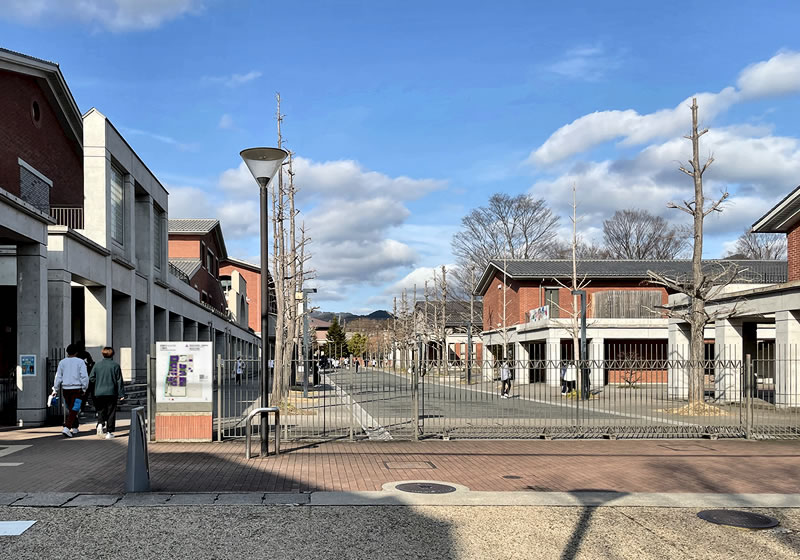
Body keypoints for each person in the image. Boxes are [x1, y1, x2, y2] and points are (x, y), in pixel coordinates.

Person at [51, 343, 89, 438]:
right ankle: (67, 427)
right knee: (75, 408)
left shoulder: (62, 362)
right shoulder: (80, 362)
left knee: (71, 408)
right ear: (76, 352)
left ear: (67, 352)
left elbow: (58, 376)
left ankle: (75, 427)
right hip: (77, 389)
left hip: (65, 389)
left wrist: (55, 388)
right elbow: (84, 376)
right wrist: (84, 388)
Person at [89, 347, 126, 439]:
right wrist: (121, 394)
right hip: (111, 392)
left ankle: (100, 423)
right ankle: (109, 432)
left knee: (101, 410)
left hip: (99, 392)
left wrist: (98, 383)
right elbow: (119, 380)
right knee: (111, 412)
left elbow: (91, 378)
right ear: (113, 354)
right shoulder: (115, 365)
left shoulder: (97, 365)